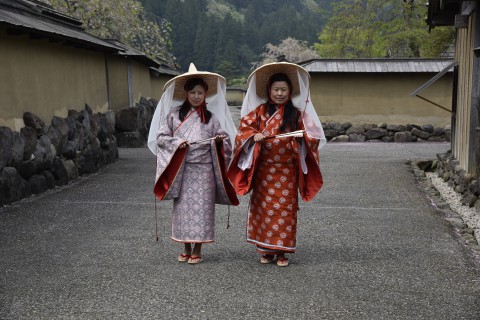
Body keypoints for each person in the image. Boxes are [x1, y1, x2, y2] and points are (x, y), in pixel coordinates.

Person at [228, 62, 326, 267]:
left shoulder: (297, 114)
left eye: (284, 89)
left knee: (285, 210)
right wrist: (254, 136)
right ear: (269, 91)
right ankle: (266, 250)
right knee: (263, 209)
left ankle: (282, 252)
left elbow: (313, 137)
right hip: (264, 170)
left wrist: (303, 138)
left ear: (290, 91)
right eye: (276, 89)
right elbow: (242, 133)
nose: (280, 93)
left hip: (287, 171)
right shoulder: (259, 112)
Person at [148, 63, 238, 265]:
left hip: (204, 169)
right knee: (183, 210)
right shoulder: (173, 115)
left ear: (206, 94)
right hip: (184, 169)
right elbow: (161, 137)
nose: (196, 96)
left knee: (203, 209)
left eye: (200, 92)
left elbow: (225, 140)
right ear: (186, 93)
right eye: (193, 92)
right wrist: (178, 143)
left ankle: (198, 248)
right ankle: (185, 247)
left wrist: (219, 142)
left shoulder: (212, 119)